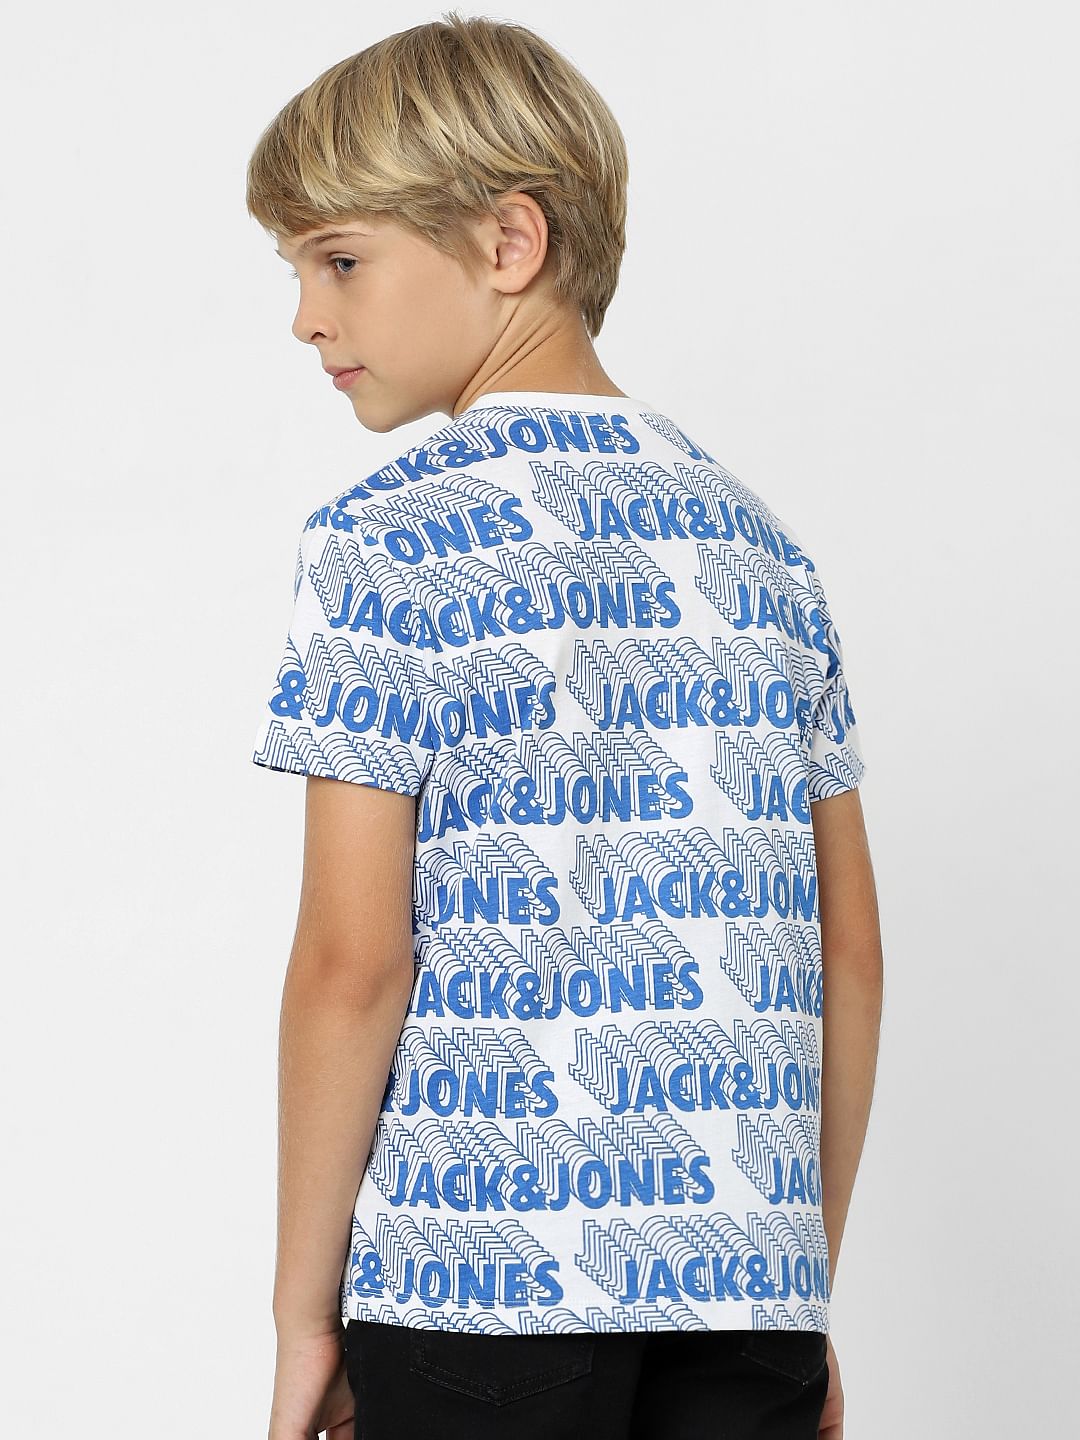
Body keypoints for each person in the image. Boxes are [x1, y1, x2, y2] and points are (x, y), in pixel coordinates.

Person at [247, 12, 883, 1440]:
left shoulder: (388, 544)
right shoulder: (761, 547)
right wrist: (794, 1282)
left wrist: (304, 1314)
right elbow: (847, 952)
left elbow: (353, 964)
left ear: (508, 242)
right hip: (747, 1302)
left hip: (472, 1295)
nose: (305, 317)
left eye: (337, 260)